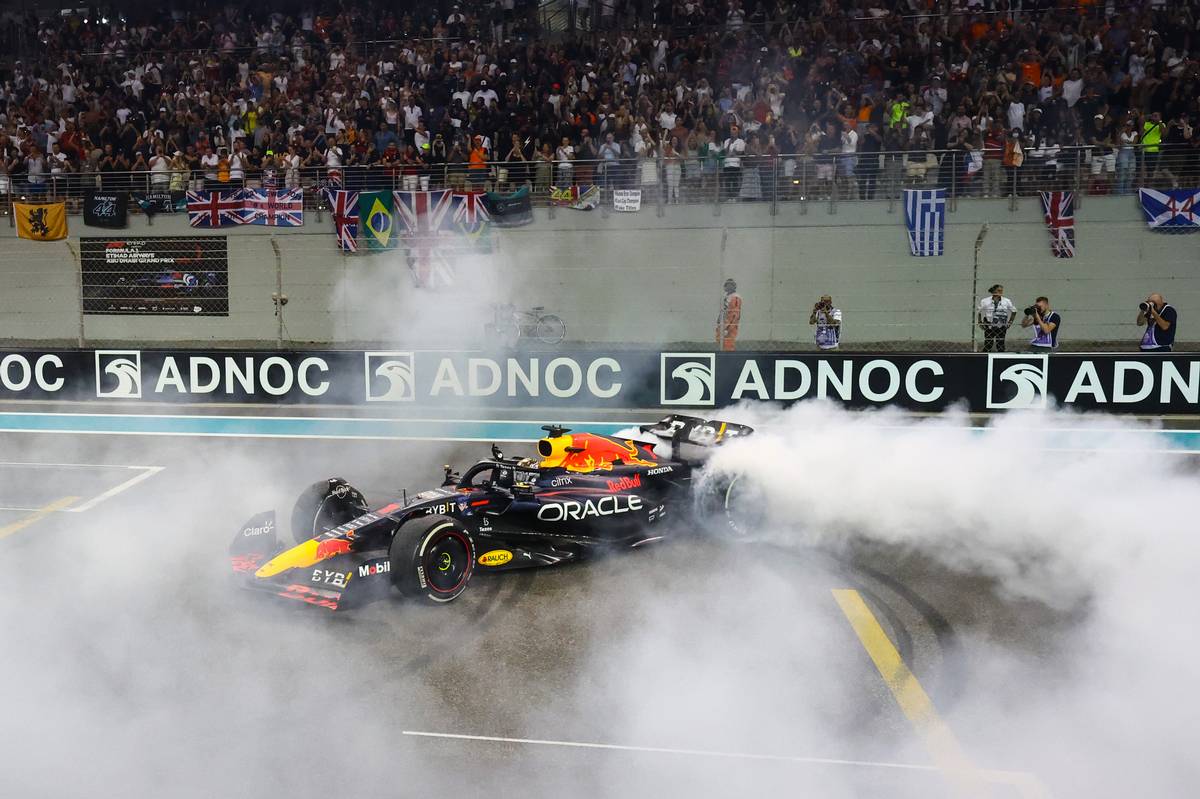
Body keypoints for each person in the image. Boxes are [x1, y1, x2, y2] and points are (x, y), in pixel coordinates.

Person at [978, 284, 1017, 352]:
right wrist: (980, 322)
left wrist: (1010, 322)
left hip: (1001, 324)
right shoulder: (985, 301)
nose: (1000, 292)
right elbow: (979, 311)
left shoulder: (1006, 301)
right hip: (989, 324)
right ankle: (985, 355)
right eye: (999, 290)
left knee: (1000, 344)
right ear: (994, 291)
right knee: (988, 343)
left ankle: (1000, 356)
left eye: (1001, 291)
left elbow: (1014, 311)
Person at [716, 278, 742, 351]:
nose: (728, 287)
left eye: (731, 285)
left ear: (734, 286)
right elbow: (723, 310)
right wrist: (719, 321)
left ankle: (728, 356)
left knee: (728, 344)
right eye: (727, 285)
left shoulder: (735, 297)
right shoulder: (726, 296)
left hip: (729, 325)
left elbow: (735, 314)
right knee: (721, 342)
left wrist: (728, 328)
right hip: (723, 323)